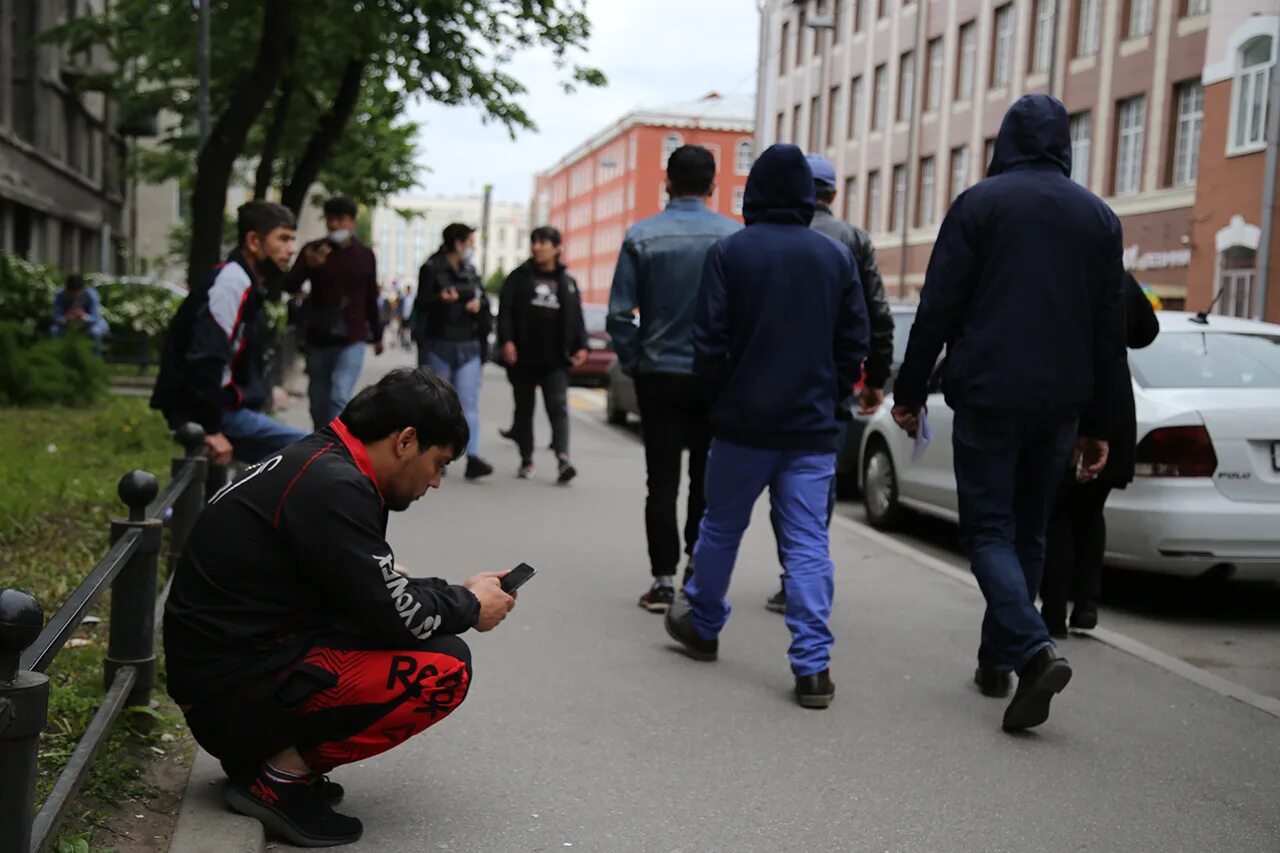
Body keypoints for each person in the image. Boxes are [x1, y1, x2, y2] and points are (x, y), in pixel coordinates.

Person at [163, 368, 517, 847]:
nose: (435, 482)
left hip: (231, 679)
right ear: (406, 440)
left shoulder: (323, 462)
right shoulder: (333, 485)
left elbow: (370, 590)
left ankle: (270, 763)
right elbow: (395, 617)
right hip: (230, 698)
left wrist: (457, 593)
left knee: (422, 636)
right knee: (444, 667)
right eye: (439, 463)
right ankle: (277, 781)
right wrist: (470, 604)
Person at [890, 94, 1125, 733]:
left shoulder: (979, 205)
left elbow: (937, 306)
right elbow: (1109, 330)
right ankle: (998, 665)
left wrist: (909, 391)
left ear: (1006, 143)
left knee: (988, 532)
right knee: (1029, 532)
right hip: (1061, 404)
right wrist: (1102, 421)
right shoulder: (1098, 218)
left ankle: (1030, 650)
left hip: (990, 392)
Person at [664, 143, 869, 709]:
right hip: (810, 431)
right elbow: (855, 342)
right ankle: (813, 667)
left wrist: (721, 399)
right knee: (806, 544)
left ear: (753, 192)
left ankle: (703, 625)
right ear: (807, 194)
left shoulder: (733, 253)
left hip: (741, 426)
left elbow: (708, 344)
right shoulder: (835, 257)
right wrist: (831, 396)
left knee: (721, 528)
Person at [607, 145, 743, 613]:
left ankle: (661, 579)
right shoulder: (732, 236)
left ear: (667, 182)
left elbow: (620, 314)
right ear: (713, 185)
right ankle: (695, 570)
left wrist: (635, 359)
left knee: (660, 480)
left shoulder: (642, 236)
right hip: (716, 376)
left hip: (659, 373)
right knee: (707, 478)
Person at [764, 154, 894, 615]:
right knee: (816, 483)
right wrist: (873, 379)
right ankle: (808, 575)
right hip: (830, 386)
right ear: (832, 195)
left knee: (778, 481)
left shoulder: (770, 234)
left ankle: (790, 575)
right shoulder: (853, 239)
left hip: (771, 383)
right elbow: (876, 313)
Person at [1040, 272, 1159, 636]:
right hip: (1113, 405)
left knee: (1057, 512)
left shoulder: (1061, 274)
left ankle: (1055, 611)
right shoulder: (1119, 279)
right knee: (1091, 509)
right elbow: (1147, 332)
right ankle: (1087, 603)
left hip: (1067, 398)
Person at [151, 201, 308, 465]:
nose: (291, 249)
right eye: (283, 239)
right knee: (317, 451)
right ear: (253, 241)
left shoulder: (245, 281)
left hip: (223, 408)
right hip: (214, 413)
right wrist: (212, 430)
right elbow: (207, 358)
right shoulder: (231, 283)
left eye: (292, 240)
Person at [282, 196, 384, 431]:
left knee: (339, 393)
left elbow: (371, 296)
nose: (336, 226)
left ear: (352, 222)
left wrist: (377, 334)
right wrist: (309, 265)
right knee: (318, 398)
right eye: (331, 220)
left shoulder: (365, 255)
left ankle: (335, 447)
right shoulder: (313, 250)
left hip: (353, 335)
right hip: (319, 334)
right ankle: (321, 442)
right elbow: (289, 284)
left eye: (342, 220)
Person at [496, 226, 588, 483]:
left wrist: (582, 346)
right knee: (524, 410)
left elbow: (576, 317)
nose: (537, 247)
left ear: (557, 247)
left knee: (558, 407)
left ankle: (563, 459)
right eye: (534, 242)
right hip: (523, 357)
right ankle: (527, 459)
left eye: (543, 242)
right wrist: (507, 341)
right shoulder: (518, 277)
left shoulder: (567, 282)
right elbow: (505, 312)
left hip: (556, 358)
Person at [411, 223, 494, 480]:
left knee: (469, 403)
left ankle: (473, 456)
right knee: (438, 403)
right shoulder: (432, 268)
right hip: (439, 343)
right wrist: (439, 299)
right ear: (457, 242)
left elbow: (483, 299)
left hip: (468, 344)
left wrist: (477, 305)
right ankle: (436, 456)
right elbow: (421, 303)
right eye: (470, 241)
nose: (473, 247)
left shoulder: (470, 270)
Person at [50, 273, 110, 354]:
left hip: (91, 323)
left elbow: (95, 318)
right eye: (72, 292)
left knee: (95, 331)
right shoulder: (60, 294)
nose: (75, 295)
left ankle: (96, 359)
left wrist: (83, 316)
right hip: (68, 323)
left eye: (77, 292)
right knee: (54, 330)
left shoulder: (91, 295)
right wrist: (66, 318)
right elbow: (56, 317)